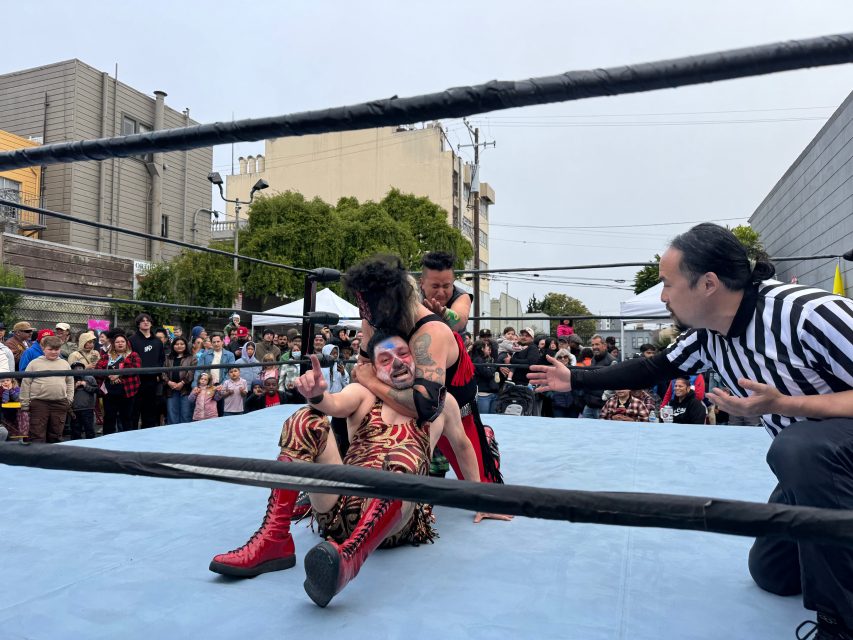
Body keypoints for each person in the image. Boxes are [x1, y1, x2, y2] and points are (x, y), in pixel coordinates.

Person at [528, 222, 853, 638]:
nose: (662, 295)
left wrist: (786, 405)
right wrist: (573, 380)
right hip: (811, 474)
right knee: (771, 573)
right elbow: (652, 368)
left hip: (825, 457)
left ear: (708, 283)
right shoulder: (707, 336)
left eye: (667, 283)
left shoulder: (808, 314)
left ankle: (840, 623)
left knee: (799, 448)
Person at [209, 331, 483, 608]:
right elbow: (333, 404)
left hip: (396, 523)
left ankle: (349, 559)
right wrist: (317, 396)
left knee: (404, 454)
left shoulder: (442, 403)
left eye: (402, 354)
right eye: (386, 359)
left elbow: (462, 446)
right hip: (339, 510)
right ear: (374, 369)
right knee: (306, 419)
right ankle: (274, 540)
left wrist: (482, 497)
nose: (397, 363)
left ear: (416, 358)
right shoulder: (363, 394)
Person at [346, 254, 503, 486]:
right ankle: (332, 473)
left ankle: (485, 439)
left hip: (453, 402)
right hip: (408, 391)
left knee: (485, 490)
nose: (364, 312)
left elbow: (427, 405)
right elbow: (361, 370)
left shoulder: (431, 331)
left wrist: (370, 381)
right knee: (350, 402)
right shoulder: (371, 317)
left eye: (445, 285)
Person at [19, 335, 73, 443]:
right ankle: (37, 458)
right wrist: (24, 404)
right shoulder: (34, 363)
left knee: (56, 434)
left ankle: (53, 458)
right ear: (43, 349)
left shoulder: (65, 363)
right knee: (37, 434)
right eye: (50, 349)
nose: (54, 352)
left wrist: (69, 400)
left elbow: (70, 382)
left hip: (60, 402)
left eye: (56, 349)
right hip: (39, 403)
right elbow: (26, 383)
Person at [95, 329, 141, 435]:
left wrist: (119, 374)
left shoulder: (133, 355)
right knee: (109, 418)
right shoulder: (106, 356)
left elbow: (135, 368)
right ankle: (107, 440)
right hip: (110, 392)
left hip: (127, 391)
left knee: (126, 418)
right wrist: (109, 375)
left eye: (122, 341)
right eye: (117, 342)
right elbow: (98, 369)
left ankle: (126, 441)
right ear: (113, 344)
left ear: (126, 343)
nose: (120, 343)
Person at [419, 251, 472, 332]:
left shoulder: (462, 296)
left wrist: (443, 314)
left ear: (453, 282)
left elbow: (459, 322)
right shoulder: (412, 296)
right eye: (435, 286)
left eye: (446, 286)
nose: (441, 293)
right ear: (422, 283)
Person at [129, 313, 165, 429]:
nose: (146, 322)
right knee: (134, 412)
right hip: (136, 380)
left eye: (148, 320)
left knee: (150, 412)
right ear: (138, 324)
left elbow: (161, 358)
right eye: (142, 320)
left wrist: (158, 374)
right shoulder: (131, 340)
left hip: (152, 381)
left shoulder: (157, 341)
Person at [162, 337, 195, 424]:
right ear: (173, 346)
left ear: (186, 345)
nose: (179, 346)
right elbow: (163, 371)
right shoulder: (168, 357)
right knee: (172, 414)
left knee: (186, 413)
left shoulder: (191, 358)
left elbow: (192, 372)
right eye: (177, 344)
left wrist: (182, 382)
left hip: (186, 389)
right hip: (171, 389)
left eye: (182, 344)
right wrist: (168, 382)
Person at [470, 338, 500, 415]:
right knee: (484, 418)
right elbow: (487, 373)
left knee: (492, 418)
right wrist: (493, 367)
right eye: (487, 347)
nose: (489, 349)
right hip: (483, 394)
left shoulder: (486, 359)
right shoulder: (478, 360)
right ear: (482, 348)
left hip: (490, 393)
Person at [69, 361, 98, 439]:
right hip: (74, 409)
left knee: (89, 429)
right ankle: (76, 448)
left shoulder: (90, 378)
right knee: (75, 430)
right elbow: (66, 393)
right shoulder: (70, 379)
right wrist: (74, 387)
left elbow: (96, 390)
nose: (78, 370)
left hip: (88, 408)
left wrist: (86, 385)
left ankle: (92, 447)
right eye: (75, 368)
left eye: (80, 368)